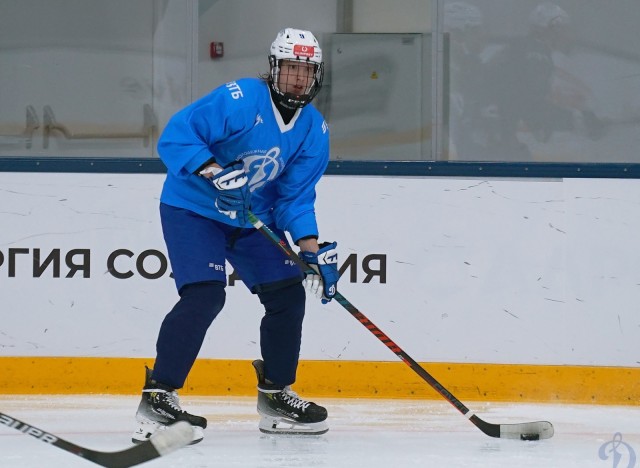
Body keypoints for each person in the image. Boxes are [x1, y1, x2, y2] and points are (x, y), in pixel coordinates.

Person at [131, 28, 340, 444]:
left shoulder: (314, 130)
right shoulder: (240, 98)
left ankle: (276, 395)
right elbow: (176, 134)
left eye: (307, 70)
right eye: (292, 68)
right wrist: (212, 171)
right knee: (206, 294)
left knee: (287, 293)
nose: (299, 78)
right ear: (275, 68)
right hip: (194, 209)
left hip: (251, 218)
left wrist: (311, 250)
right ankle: (158, 397)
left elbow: (295, 197)